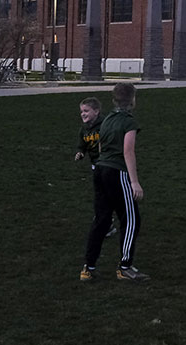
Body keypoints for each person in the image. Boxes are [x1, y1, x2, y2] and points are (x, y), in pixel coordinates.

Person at [80, 83, 146, 282]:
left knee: (101, 220)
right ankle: (125, 266)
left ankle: (88, 267)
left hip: (100, 170)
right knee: (132, 219)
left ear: (113, 100)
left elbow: (100, 146)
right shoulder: (128, 122)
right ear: (133, 101)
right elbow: (128, 151)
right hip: (116, 172)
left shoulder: (106, 119)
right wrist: (134, 182)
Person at [74, 97, 118, 238]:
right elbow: (82, 145)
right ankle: (106, 219)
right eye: (81, 111)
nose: (83, 114)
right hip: (96, 166)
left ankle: (108, 221)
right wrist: (80, 153)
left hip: (108, 164)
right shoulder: (84, 129)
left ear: (96, 112)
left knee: (106, 194)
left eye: (86, 111)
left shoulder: (105, 125)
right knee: (101, 194)